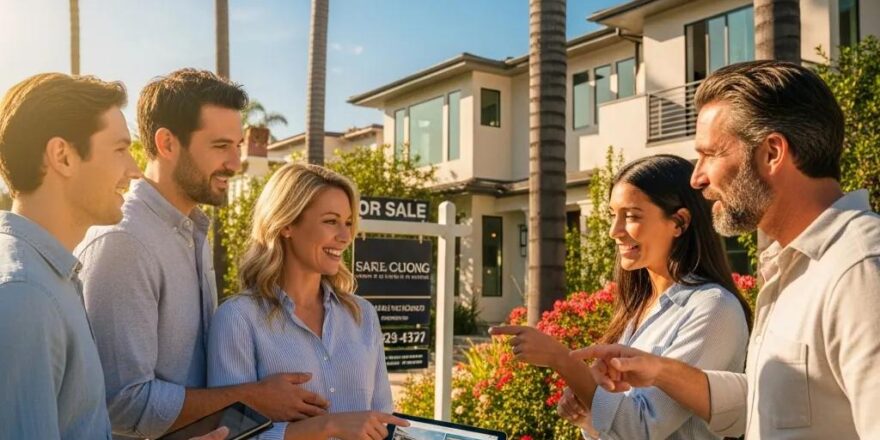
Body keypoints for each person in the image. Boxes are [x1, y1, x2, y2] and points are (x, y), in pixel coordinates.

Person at [573, 60, 880, 439]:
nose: (697, 177)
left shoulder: (861, 270)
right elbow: (776, 405)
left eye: (711, 154)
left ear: (771, 153)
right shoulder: (795, 270)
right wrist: (660, 371)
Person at [75, 69, 328, 439]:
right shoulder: (125, 243)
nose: (235, 162)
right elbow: (122, 403)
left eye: (237, 146)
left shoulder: (193, 231)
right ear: (167, 143)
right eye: (220, 146)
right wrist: (253, 398)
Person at [0, 73, 227, 440]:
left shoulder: (51, 278)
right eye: (121, 149)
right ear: (63, 156)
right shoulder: (26, 295)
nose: (134, 169)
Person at [490, 154, 752, 439]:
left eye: (631, 216)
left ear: (679, 222)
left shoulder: (714, 309)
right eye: (613, 215)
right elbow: (623, 427)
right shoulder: (643, 306)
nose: (615, 231)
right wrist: (588, 408)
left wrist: (562, 360)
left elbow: (641, 426)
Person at [208, 163, 408, 440]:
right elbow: (229, 435)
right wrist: (328, 426)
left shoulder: (362, 314)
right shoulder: (238, 318)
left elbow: (383, 420)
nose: (345, 236)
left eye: (348, 223)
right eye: (330, 221)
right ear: (287, 224)